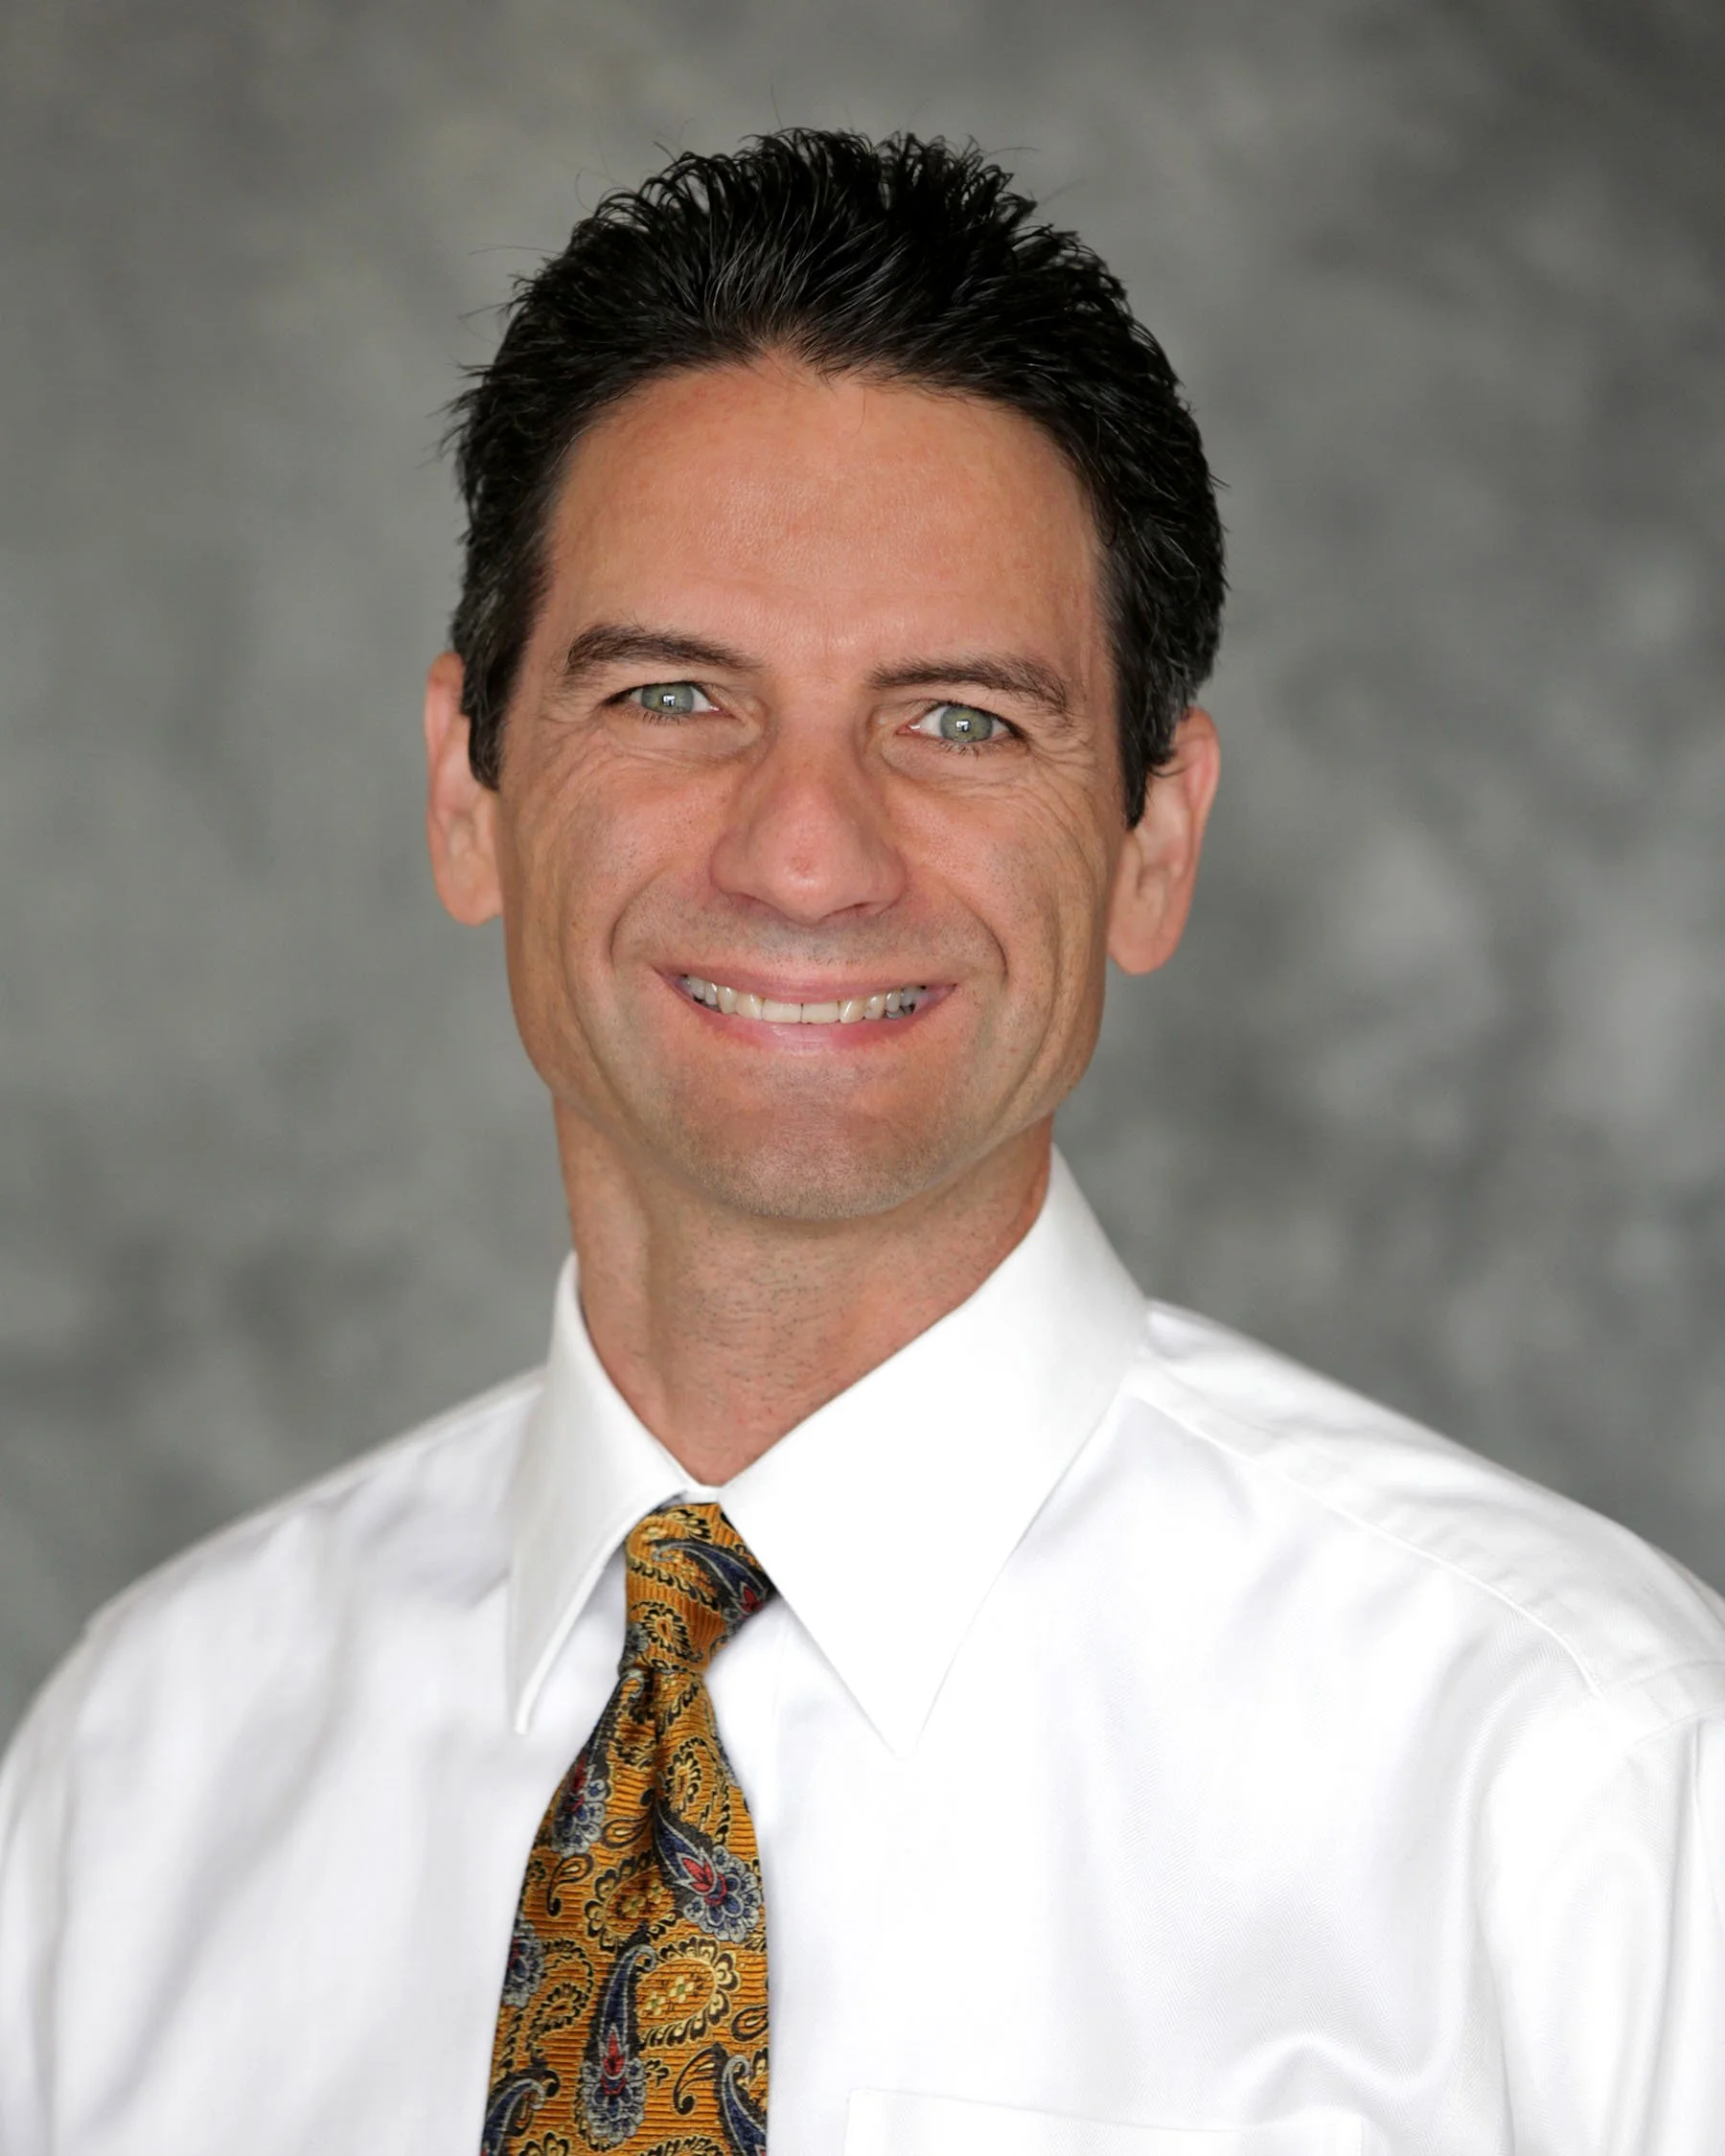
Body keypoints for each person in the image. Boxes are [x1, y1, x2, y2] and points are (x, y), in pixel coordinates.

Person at [2, 128, 1721, 2156]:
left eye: (961, 720)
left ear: (1155, 840)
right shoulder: (136, 1775)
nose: (807, 851)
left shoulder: (1583, 1786)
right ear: (467, 789)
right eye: (669, 697)